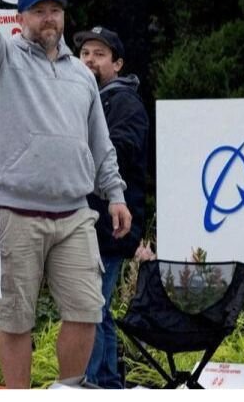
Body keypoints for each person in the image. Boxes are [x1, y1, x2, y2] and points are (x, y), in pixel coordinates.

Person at [0, 0, 131, 389]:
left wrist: (115, 194)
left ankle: (68, 391)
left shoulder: (82, 75)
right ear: (20, 19)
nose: (48, 19)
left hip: (75, 213)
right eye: (38, 11)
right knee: (16, 317)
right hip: (16, 211)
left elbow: (100, 142)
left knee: (87, 309)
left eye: (54, 10)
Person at [74, 26, 150, 389]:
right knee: (95, 310)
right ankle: (103, 382)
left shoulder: (124, 102)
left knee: (92, 309)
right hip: (87, 223)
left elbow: (120, 150)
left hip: (111, 226)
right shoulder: (80, 98)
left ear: (117, 64)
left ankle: (98, 383)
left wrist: (74, 154)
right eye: (85, 53)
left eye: (99, 54)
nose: (90, 60)